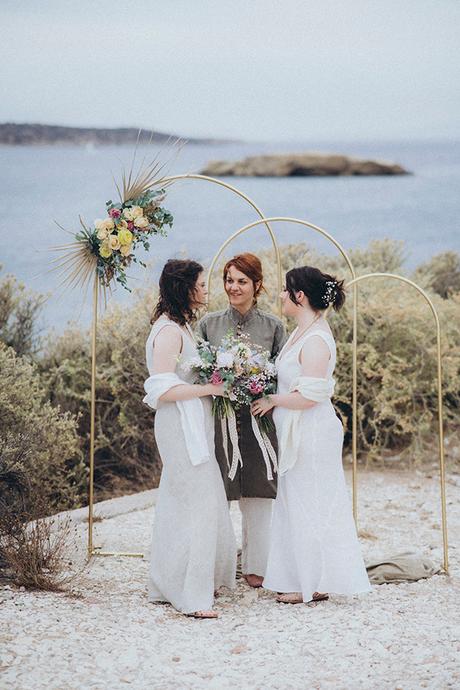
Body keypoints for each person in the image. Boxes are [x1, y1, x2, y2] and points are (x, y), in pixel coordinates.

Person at [252, 266, 371, 604]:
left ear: (299, 296)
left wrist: (272, 400)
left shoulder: (317, 339)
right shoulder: (300, 332)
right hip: (297, 431)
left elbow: (311, 395)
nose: (280, 296)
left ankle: (316, 582)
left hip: (313, 432)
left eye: (285, 290)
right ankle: (299, 576)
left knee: (313, 502)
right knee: (295, 502)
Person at [143, 259, 236, 618]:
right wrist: (208, 389)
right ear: (185, 289)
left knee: (192, 498)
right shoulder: (168, 331)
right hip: (178, 427)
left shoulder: (181, 326)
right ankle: (192, 596)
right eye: (201, 284)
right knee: (196, 502)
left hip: (192, 424)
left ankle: (179, 579)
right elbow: (161, 390)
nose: (206, 289)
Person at [197, 253, 285, 588]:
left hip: (259, 424)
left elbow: (282, 373)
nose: (234, 287)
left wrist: (267, 393)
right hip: (221, 421)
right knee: (217, 494)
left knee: (260, 493)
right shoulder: (209, 324)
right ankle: (217, 565)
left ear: (257, 285)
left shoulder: (274, 326)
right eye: (229, 281)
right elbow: (199, 373)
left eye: (242, 281)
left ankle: (257, 565)